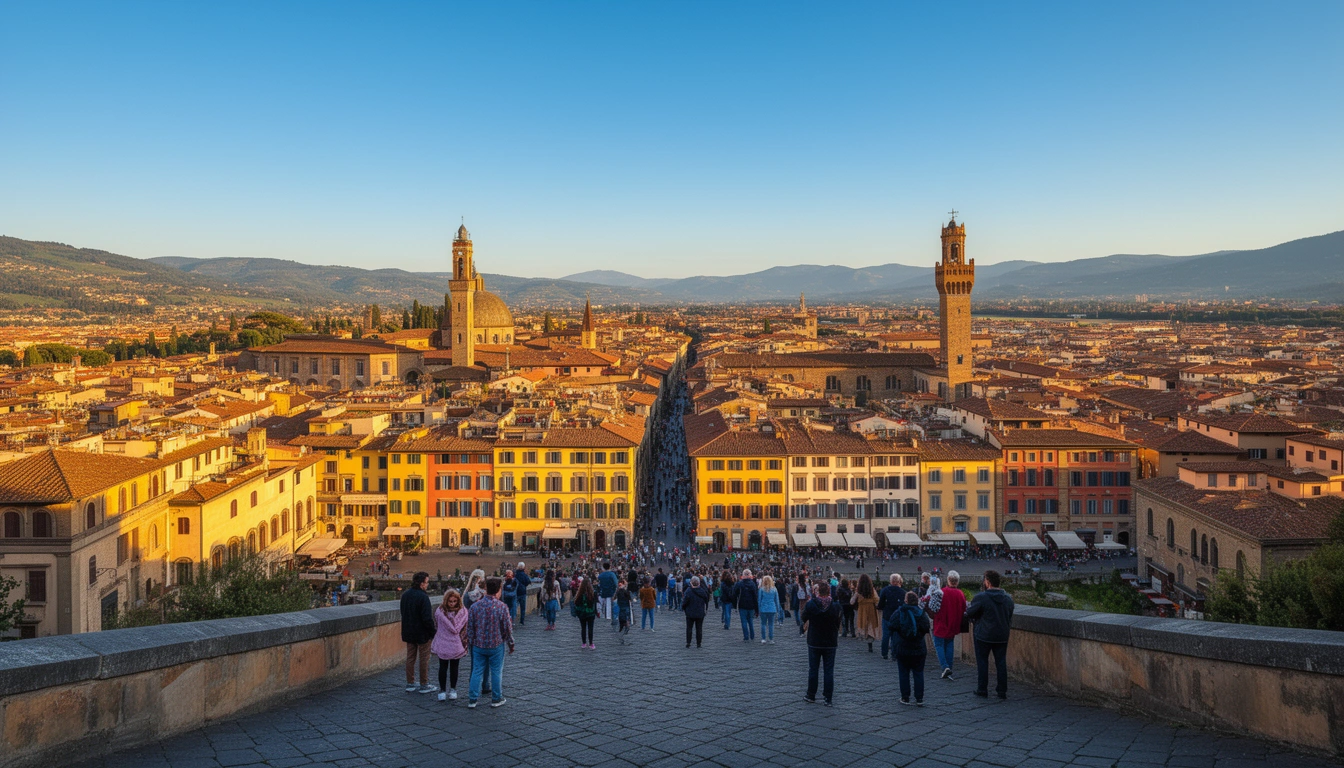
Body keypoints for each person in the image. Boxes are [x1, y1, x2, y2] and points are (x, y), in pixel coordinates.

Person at [964, 569, 1015, 700]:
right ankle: (1002, 690)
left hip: (984, 635)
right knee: (1001, 662)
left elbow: (969, 612)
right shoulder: (1008, 599)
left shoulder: (981, 597)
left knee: (982, 662)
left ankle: (982, 689)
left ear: (987, 582)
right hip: (1002, 635)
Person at [465, 576, 514, 708]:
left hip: (478, 644)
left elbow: (470, 628)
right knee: (496, 672)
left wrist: (470, 642)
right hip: (496, 644)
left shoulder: (475, 606)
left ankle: (472, 699)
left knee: (476, 671)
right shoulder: (501, 607)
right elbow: (507, 628)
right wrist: (510, 643)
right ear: (498, 590)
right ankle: (496, 698)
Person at [801, 581, 842, 706]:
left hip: (815, 640)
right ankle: (828, 698)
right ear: (829, 592)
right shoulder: (835, 606)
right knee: (829, 670)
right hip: (830, 641)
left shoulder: (811, 604)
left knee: (813, 669)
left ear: (817, 591)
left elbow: (803, 617)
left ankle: (811, 694)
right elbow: (839, 621)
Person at [890, 592, 932, 706]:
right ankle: (919, 698)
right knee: (918, 673)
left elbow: (892, 625)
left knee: (903, 673)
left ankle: (905, 697)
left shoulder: (900, 612)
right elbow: (926, 627)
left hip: (903, 647)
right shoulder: (921, 613)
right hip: (919, 648)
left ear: (906, 600)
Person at [400, 571, 437, 694]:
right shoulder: (423, 597)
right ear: (421, 584)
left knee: (410, 658)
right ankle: (424, 683)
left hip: (408, 632)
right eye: (426, 582)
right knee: (424, 659)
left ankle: (410, 683)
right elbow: (427, 618)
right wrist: (433, 632)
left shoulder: (405, 595)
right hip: (422, 634)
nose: (427, 585)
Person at [431, 589, 469, 701]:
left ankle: (452, 688)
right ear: (446, 601)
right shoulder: (444, 612)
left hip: (453, 642)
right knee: (443, 667)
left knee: (454, 667)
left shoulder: (440, 611)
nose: (452, 603)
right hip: (446, 641)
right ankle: (443, 689)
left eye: (454, 601)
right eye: (450, 601)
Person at [933, 571, 968, 680]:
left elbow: (935, 607)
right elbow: (964, 609)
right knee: (949, 645)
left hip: (941, 622)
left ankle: (945, 667)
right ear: (957, 581)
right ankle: (949, 667)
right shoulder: (960, 594)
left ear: (948, 580)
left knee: (938, 645)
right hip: (953, 624)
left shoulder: (942, 592)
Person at [877, 573, 907, 660]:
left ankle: (884, 653)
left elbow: (881, 604)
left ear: (891, 581)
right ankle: (894, 654)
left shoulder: (885, 590)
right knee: (895, 636)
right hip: (897, 616)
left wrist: (880, 607)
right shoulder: (903, 592)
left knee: (886, 635)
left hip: (887, 615)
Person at [853, 574, 880, 653]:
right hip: (871, 609)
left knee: (864, 624)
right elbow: (876, 600)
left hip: (862, 609)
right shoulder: (872, 590)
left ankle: (865, 637)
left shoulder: (858, 591)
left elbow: (851, 602)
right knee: (871, 625)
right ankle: (870, 641)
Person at [682, 575, 710, 648]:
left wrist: (684, 608)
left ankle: (688, 642)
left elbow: (684, 602)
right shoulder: (702, 591)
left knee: (689, 628)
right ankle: (699, 643)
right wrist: (705, 609)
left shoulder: (688, 591)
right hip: (700, 612)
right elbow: (706, 600)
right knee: (699, 628)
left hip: (690, 612)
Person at [735, 569, 759, 642]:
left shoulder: (740, 583)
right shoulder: (753, 584)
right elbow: (755, 597)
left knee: (744, 621)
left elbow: (734, 592)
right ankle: (752, 635)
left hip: (742, 605)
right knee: (750, 621)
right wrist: (756, 609)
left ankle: (746, 636)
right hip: (751, 605)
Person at [574, 578, 598, 649]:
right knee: (590, 628)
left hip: (582, 613)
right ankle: (591, 643)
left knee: (583, 628)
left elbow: (576, 603)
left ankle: (584, 643)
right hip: (590, 613)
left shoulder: (579, 594)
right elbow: (595, 603)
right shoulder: (593, 593)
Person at [757, 574, 780, 644]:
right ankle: (771, 639)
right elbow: (777, 600)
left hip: (763, 608)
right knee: (771, 624)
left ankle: (763, 638)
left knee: (763, 624)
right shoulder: (774, 589)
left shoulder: (761, 589)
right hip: (772, 608)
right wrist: (778, 609)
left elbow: (759, 600)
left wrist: (758, 609)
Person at [615, 579, 633, 644]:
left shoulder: (619, 591)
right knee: (625, 617)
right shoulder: (624, 591)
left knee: (622, 617)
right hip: (625, 606)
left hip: (622, 606)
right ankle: (625, 627)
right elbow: (629, 599)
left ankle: (623, 628)